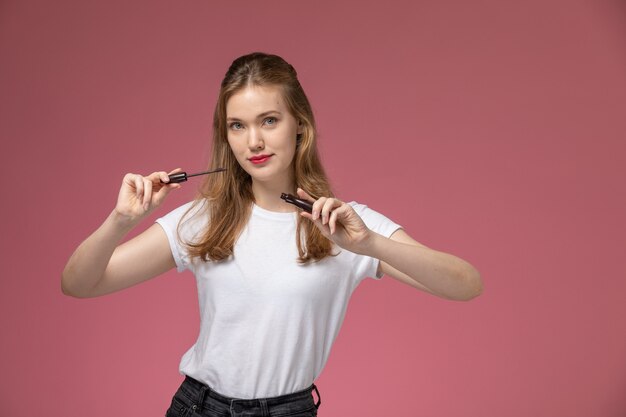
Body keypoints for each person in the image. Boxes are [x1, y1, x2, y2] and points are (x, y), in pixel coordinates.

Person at [62, 52, 483, 417]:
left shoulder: (346, 227)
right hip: (198, 407)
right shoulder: (206, 218)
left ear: (299, 124)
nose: (255, 141)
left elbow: (466, 285)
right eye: (238, 126)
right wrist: (120, 219)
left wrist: (370, 244)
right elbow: (79, 284)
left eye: (269, 120)